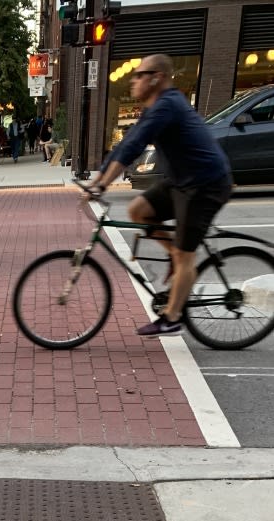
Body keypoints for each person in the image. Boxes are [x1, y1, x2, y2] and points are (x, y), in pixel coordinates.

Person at [86, 53, 233, 336]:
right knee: (138, 210)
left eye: (140, 75)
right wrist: (99, 178)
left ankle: (173, 318)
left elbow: (134, 147)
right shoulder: (153, 108)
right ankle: (176, 258)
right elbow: (126, 144)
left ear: (158, 78)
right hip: (180, 181)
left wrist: (102, 185)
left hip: (205, 184)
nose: (134, 80)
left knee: (186, 254)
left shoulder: (167, 105)